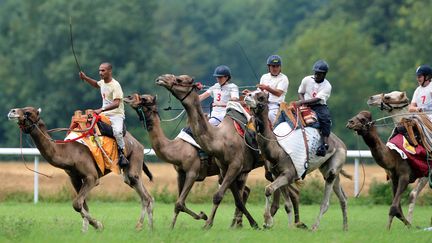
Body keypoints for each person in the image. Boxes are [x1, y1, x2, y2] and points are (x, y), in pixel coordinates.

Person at [79, 62, 129, 167]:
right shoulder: (102, 82)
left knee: (118, 132)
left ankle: (122, 154)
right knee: (89, 124)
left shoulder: (115, 85)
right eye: (99, 70)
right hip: (104, 113)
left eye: (103, 70)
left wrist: (101, 109)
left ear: (110, 71)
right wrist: (85, 77)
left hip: (116, 114)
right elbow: (96, 84)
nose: (100, 73)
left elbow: (116, 103)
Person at [296, 60, 332, 156]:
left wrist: (301, 102)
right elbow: (300, 92)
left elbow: (316, 100)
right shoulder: (306, 80)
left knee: (325, 119)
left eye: (319, 74)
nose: (316, 75)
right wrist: (302, 103)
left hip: (319, 106)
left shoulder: (327, 86)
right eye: (316, 72)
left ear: (324, 74)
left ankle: (325, 144)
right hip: (304, 103)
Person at [243, 55, 289, 125]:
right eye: (273, 66)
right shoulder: (264, 77)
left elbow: (278, 93)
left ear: (280, 67)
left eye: (277, 66)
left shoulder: (283, 78)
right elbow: (259, 92)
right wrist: (250, 93)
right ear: (269, 67)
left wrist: (267, 88)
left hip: (276, 105)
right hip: (262, 104)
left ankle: (275, 131)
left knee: (270, 114)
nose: (275, 68)